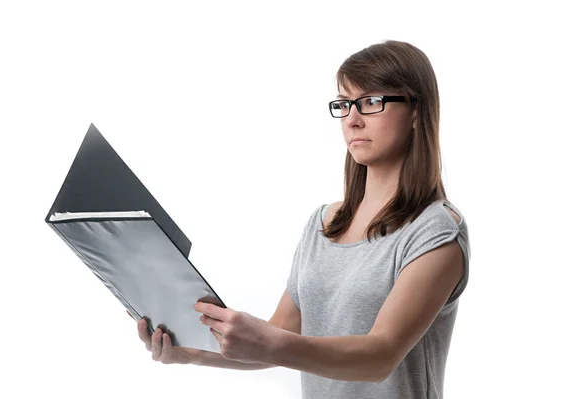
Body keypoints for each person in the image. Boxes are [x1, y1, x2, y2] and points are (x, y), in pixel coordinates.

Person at [130, 39, 471, 399]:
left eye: (371, 102)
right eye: (344, 104)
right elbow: (279, 336)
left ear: (417, 111)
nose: (352, 120)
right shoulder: (323, 224)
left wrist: (271, 342)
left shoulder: (435, 230)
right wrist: (191, 352)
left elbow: (380, 357)